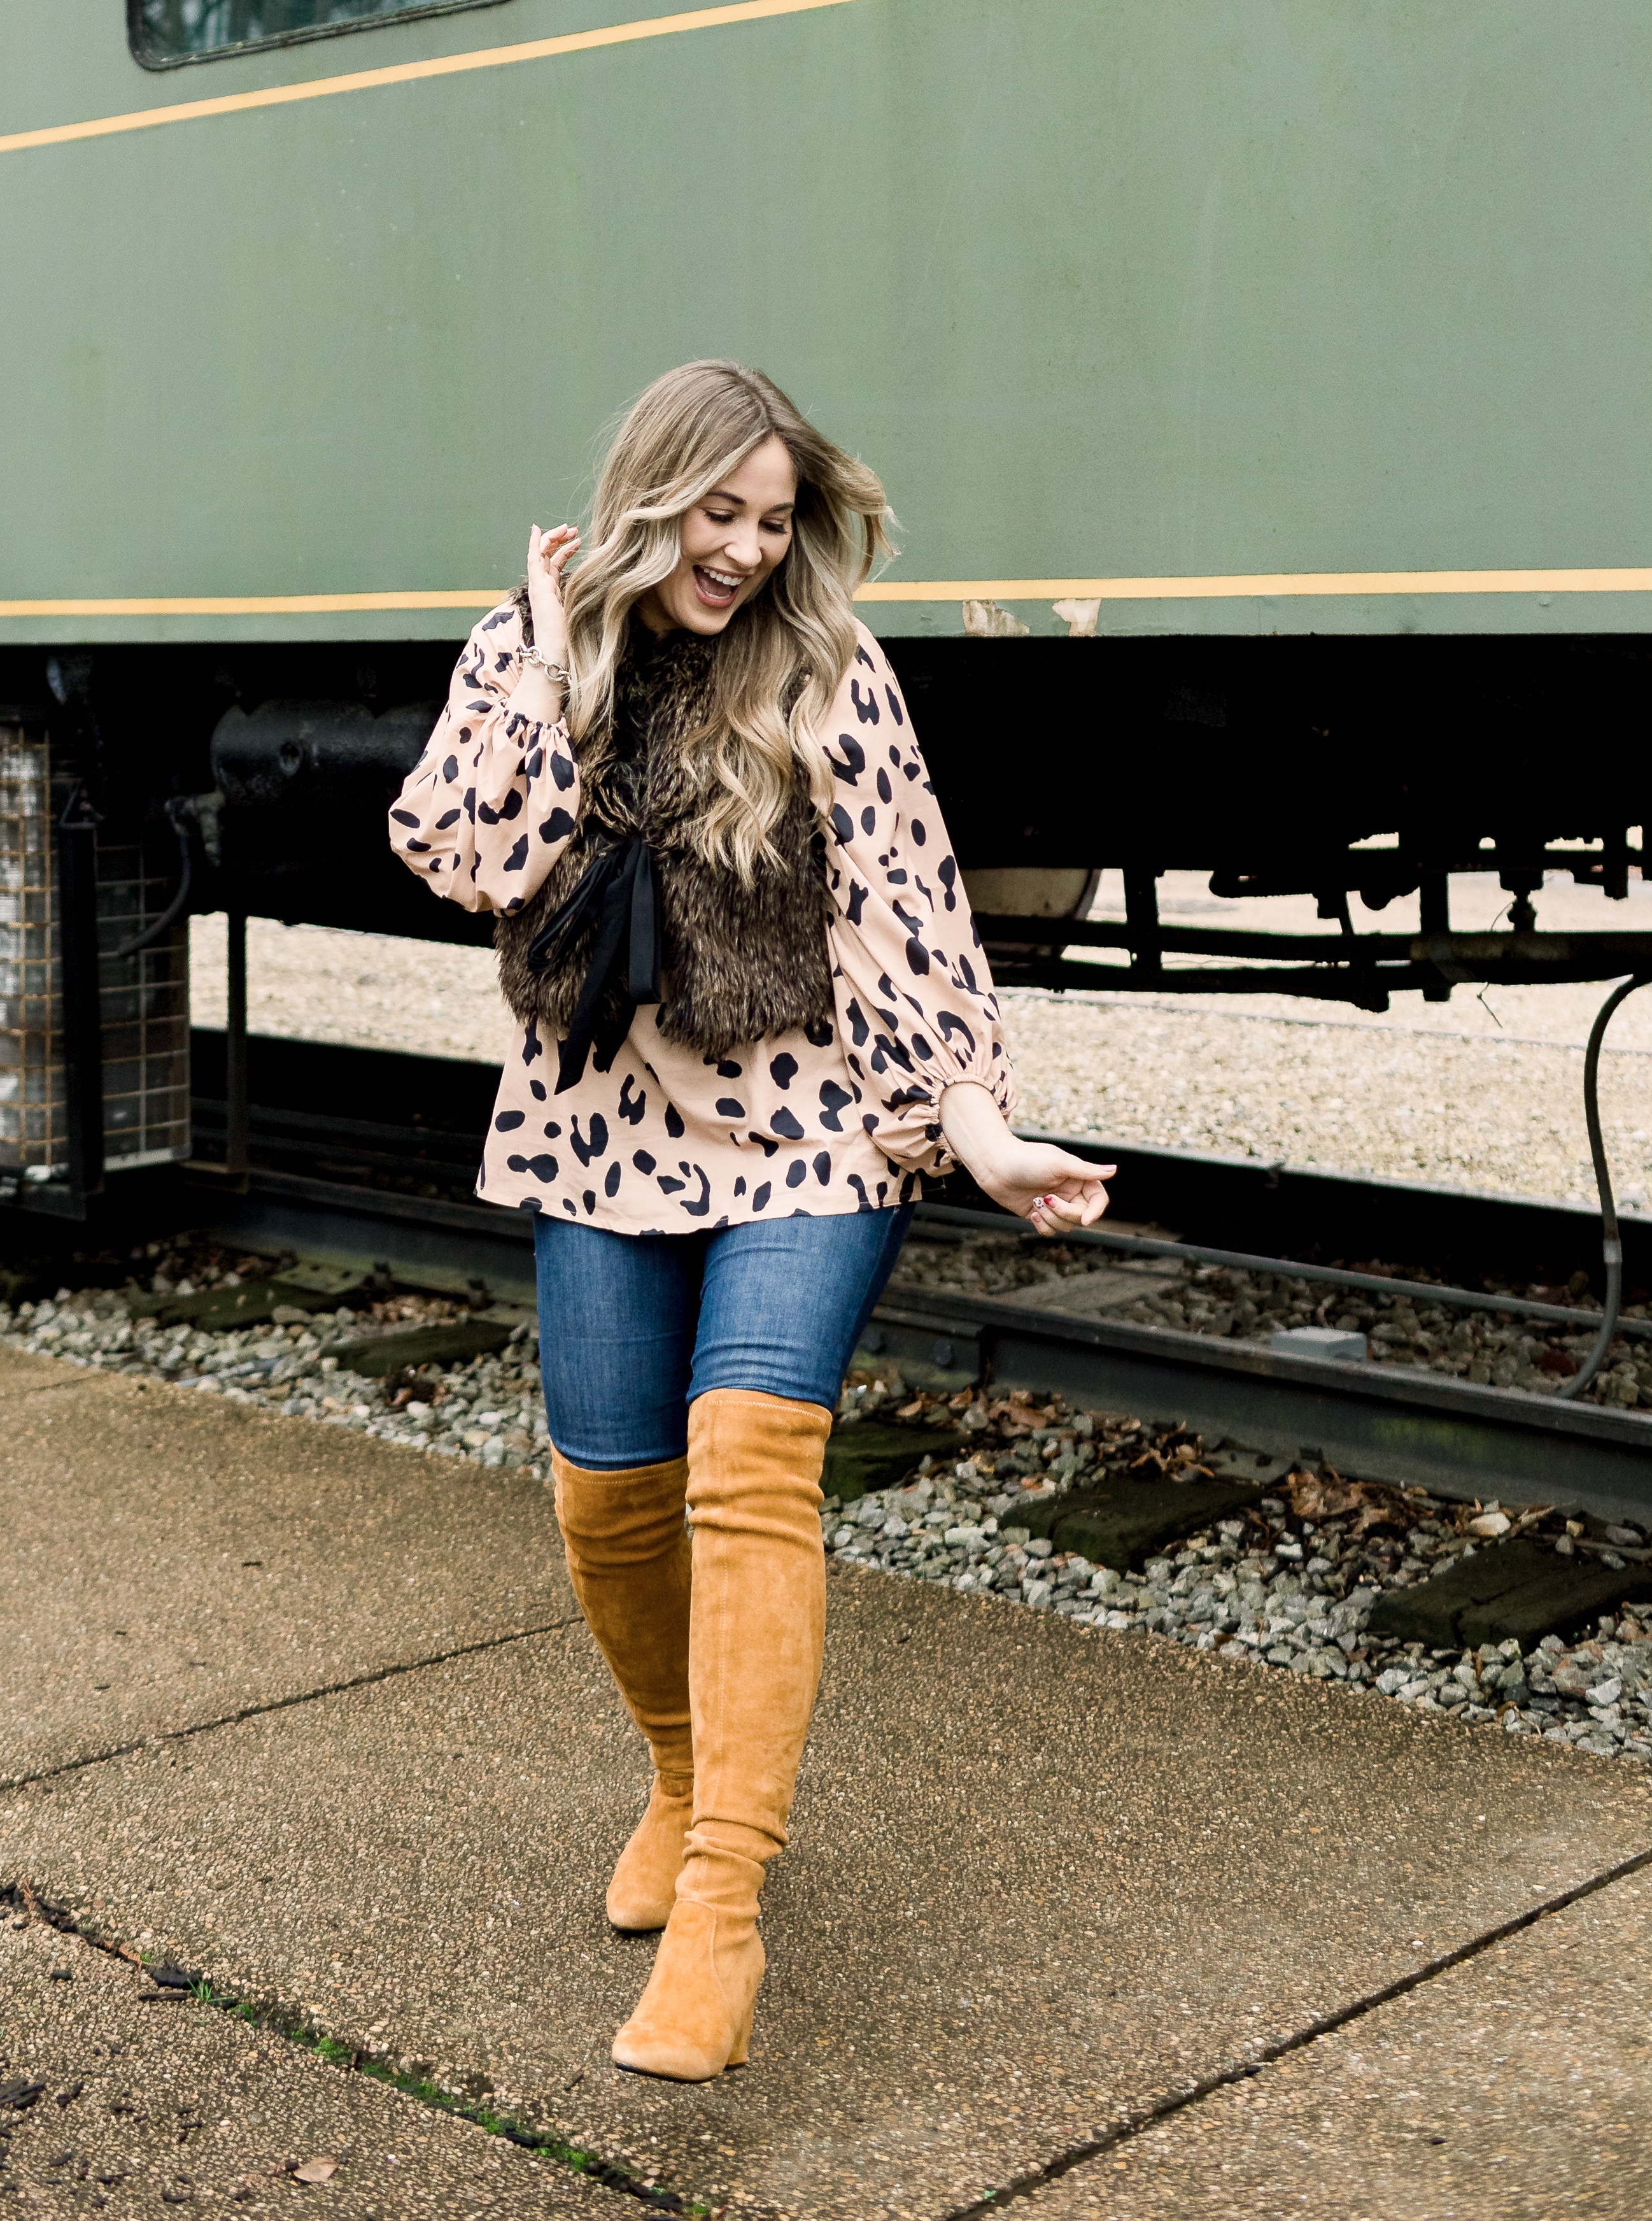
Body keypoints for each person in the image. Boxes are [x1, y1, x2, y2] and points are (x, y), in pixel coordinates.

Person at [388, 360, 1111, 2081]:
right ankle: (676, 1772)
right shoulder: (545, 645)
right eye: (720, 514)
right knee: (609, 1502)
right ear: (653, 500)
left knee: (751, 1455)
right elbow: (451, 845)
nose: (744, 550)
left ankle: (724, 1905)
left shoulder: (830, 669)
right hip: (600, 1121)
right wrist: (554, 645)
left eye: (775, 522)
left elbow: (910, 911)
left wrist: (983, 1133)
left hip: (814, 1123)